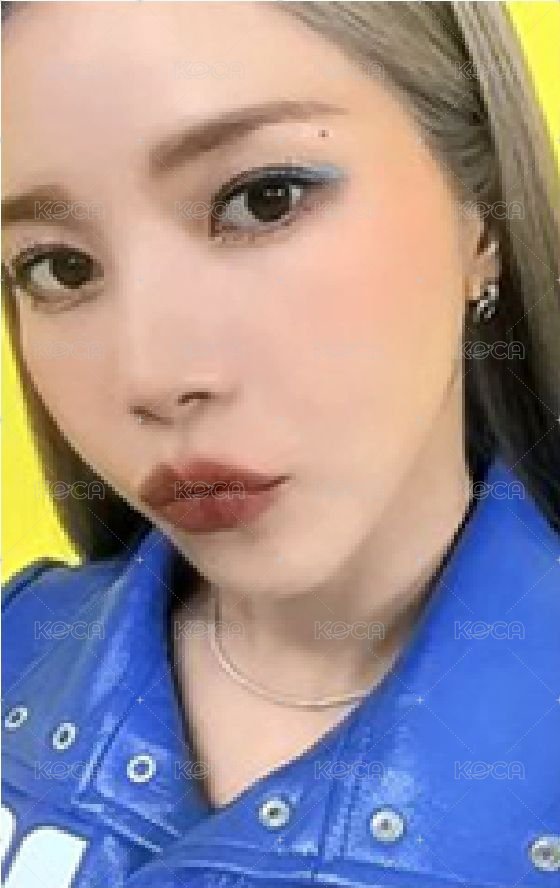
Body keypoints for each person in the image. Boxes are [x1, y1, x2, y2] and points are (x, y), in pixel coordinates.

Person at [2, 2, 559, 886]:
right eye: (57, 267)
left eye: (264, 200)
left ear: (481, 218)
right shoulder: (19, 646)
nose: (153, 374)